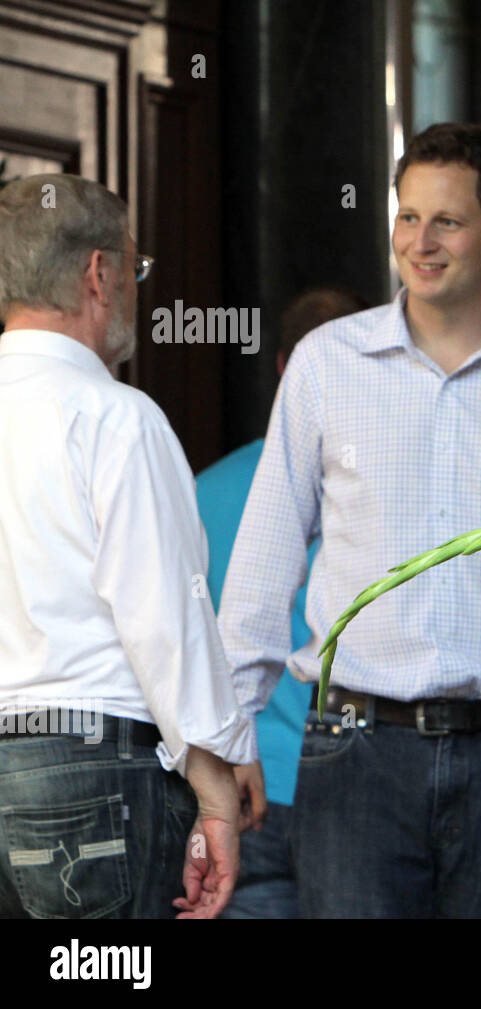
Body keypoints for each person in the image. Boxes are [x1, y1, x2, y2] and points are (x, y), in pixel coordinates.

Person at [217, 123, 481, 918]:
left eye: (447, 221)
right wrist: (228, 734)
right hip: (354, 751)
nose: (421, 242)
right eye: (408, 217)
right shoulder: (325, 363)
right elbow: (263, 561)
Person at [0, 174, 255, 918]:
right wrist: (216, 790)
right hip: (89, 774)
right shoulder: (115, 417)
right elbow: (164, 616)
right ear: (98, 275)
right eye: (135, 270)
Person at [198, 287, 368, 918]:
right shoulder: (388, 499)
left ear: (279, 367)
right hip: (360, 784)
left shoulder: (204, 490)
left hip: (241, 783)